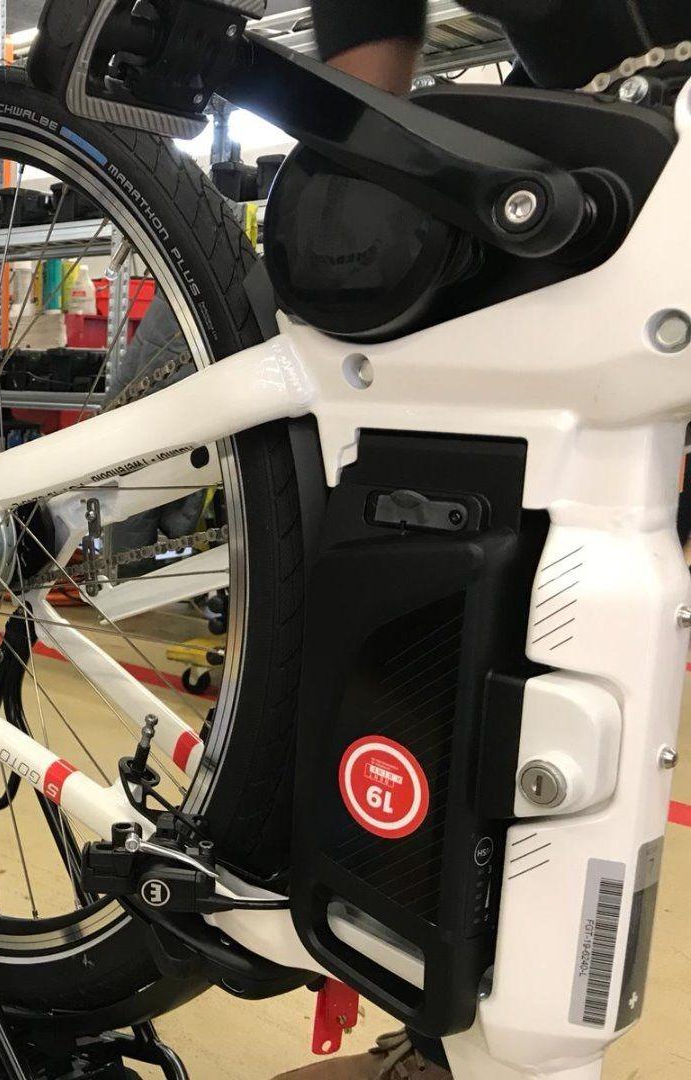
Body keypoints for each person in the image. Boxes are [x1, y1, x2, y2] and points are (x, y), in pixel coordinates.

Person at [273, 3, 691, 1078]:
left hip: (627, 147)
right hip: (604, 145)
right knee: (497, 560)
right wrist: (368, 171)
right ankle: (446, 1040)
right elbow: (370, 56)